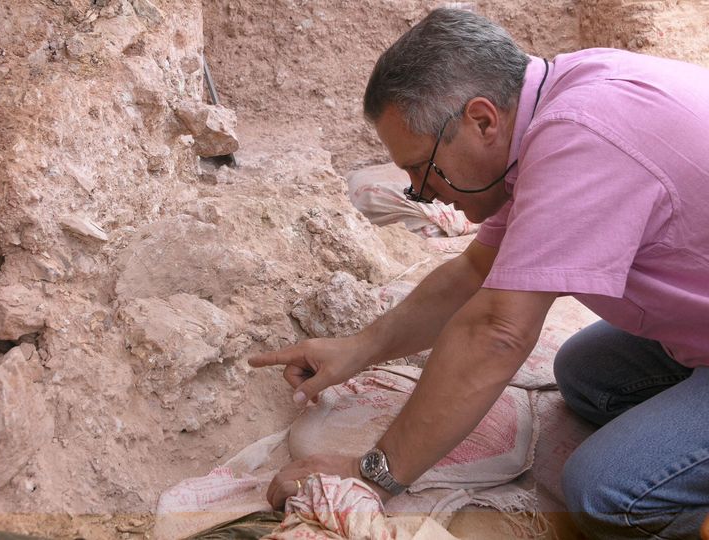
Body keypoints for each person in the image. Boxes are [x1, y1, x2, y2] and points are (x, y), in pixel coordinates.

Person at [249, 8, 709, 539]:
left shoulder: (582, 136)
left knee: (607, 493)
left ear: (483, 120)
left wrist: (372, 475)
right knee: (587, 375)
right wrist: (361, 347)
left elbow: (498, 331)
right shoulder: (557, 105)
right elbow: (473, 271)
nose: (421, 192)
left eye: (423, 167)